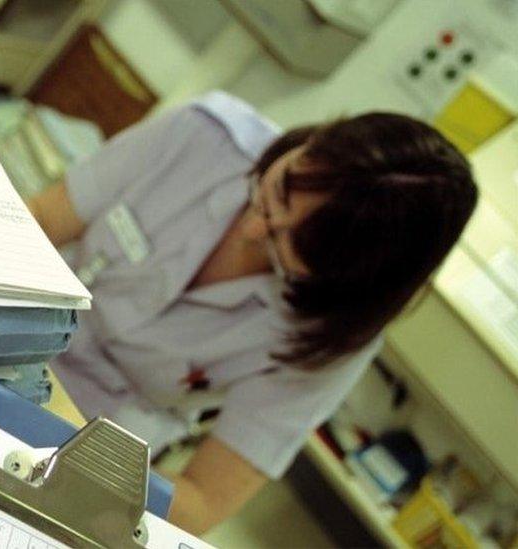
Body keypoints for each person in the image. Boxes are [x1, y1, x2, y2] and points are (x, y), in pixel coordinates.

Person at [27, 91, 477, 535]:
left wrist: (71, 442)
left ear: (344, 278)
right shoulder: (204, 135)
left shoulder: (334, 338)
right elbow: (41, 218)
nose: (254, 228)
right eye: (277, 190)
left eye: (287, 247)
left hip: (95, 443)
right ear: (315, 140)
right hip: (15, 331)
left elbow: (202, 503)